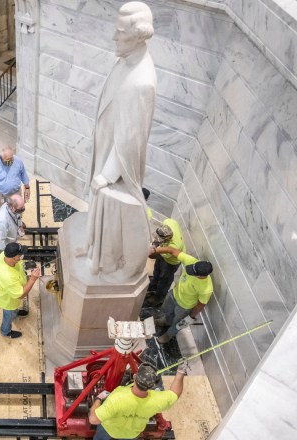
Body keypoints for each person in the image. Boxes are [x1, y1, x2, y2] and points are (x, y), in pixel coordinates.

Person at [84, 2, 155, 276]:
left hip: (115, 162)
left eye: (121, 33)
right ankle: (92, 247)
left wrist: (107, 175)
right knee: (97, 203)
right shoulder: (124, 60)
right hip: (104, 145)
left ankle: (103, 259)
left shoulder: (141, 81)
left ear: (138, 37)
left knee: (106, 203)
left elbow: (131, 138)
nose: (114, 38)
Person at [88, 362, 186, 440]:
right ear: (153, 386)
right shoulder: (157, 400)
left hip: (108, 429)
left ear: (134, 377)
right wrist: (180, 372)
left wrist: (98, 399)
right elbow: (175, 393)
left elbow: (93, 419)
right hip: (131, 434)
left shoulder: (117, 399)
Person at [150, 246, 213, 344]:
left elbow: (201, 304)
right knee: (167, 310)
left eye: (193, 272)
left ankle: (168, 335)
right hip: (174, 294)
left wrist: (191, 316)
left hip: (184, 306)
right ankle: (165, 321)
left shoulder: (206, 288)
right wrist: (153, 250)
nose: (189, 270)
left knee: (178, 322)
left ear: (201, 276)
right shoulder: (192, 261)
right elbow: (172, 250)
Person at [0, 242, 41, 338]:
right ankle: (5, 331)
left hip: (9, 290)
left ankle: (15, 312)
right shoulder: (7, 276)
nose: (22, 256)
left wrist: (25, 265)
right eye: (20, 255)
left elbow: (18, 264)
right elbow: (21, 295)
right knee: (8, 316)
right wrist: (32, 279)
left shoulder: (4, 255)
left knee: (13, 311)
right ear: (14, 257)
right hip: (7, 300)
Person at [146, 219, 185, 306]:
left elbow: (158, 255)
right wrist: (154, 244)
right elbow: (158, 242)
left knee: (164, 279)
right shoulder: (169, 222)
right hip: (164, 254)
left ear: (168, 238)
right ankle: (153, 285)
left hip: (172, 261)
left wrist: (151, 252)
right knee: (157, 270)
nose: (158, 240)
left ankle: (159, 298)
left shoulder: (175, 246)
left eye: (161, 239)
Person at [0, 193, 26, 263]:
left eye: (23, 208)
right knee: (1, 265)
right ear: (12, 207)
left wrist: (20, 226)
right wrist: (11, 253)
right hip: (1, 247)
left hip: (10, 242)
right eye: (20, 210)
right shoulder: (2, 222)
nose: (22, 211)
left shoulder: (11, 207)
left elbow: (17, 216)